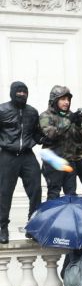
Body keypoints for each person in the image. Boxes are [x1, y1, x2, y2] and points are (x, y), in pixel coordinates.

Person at [0, 81, 42, 243]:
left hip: (27, 154)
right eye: (19, 91)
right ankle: (2, 228)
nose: (22, 94)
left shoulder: (32, 112)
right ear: (12, 93)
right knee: (4, 192)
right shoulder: (2, 110)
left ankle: (33, 226)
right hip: (7, 155)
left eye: (25, 92)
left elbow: (36, 133)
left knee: (36, 189)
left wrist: (44, 138)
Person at [38, 85, 82, 200]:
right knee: (54, 193)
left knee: (71, 195)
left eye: (68, 99)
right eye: (63, 99)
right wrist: (69, 121)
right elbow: (51, 134)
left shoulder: (70, 115)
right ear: (54, 100)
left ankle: (70, 218)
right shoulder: (46, 116)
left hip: (70, 160)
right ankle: (51, 218)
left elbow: (80, 140)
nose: (66, 102)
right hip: (53, 160)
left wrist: (78, 125)